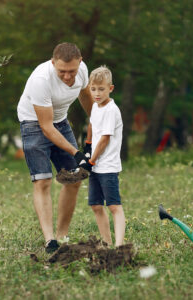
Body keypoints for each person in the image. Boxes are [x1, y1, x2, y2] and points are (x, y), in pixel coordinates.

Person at [17, 43, 94, 253]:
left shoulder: (83, 70)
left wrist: (97, 118)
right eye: (62, 72)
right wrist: (76, 153)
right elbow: (46, 128)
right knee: (43, 180)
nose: (68, 77)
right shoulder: (41, 79)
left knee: (74, 179)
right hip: (34, 123)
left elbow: (85, 95)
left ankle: (62, 236)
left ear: (80, 62)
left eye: (72, 71)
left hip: (59, 121)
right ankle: (50, 240)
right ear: (53, 63)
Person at [84, 65, 126, 247]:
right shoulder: (95, 106)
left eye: (101, 89)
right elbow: (92, 126)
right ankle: (106, 244)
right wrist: (87, 148)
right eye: (93, 89)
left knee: (114, 206)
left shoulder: (111, 110)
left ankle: (119, 245)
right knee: (95, 205)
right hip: (95, 164)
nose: (97, 93)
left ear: (110, 88)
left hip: (107, 165)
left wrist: (91, 160)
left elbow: (105, 139)